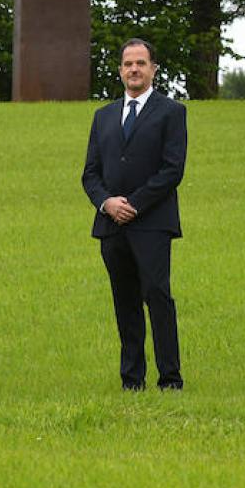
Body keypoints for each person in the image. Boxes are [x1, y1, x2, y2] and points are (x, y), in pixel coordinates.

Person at [81, 37, 187, 390]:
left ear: (153, 69)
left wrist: (135, 204)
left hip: (152, 225)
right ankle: (132, 380)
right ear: (120, 70)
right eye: (128, 64)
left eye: (141, 63)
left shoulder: (172, 112)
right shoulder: (103, 116)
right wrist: (107, 203)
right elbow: (90, 174)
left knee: (157, 297)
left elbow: (173, 170)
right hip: (111, 225)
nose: (134, 70)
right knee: (124, 301)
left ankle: (169, 378)